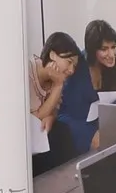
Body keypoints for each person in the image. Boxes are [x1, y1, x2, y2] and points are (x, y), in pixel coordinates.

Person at [54, 18, 116, 158]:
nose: (111, 53)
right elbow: (69, 110)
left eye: (113, 47)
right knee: (103, 143)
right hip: (75, 120)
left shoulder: (113, 56)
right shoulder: (77, 67)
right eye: (104, 49)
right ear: (93, 50)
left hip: (100, 116)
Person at [28, 31, 81, 177]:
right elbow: (35, 120)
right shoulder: (27, 72)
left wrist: (51, 117)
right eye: (69, 62)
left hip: (39, 135)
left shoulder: (57, 76)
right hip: (23, 137)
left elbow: (55, 108)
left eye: (74, 66)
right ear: (52, 55)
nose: (71, 70)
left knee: (62, 130)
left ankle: (70, 178)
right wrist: (58, 85)